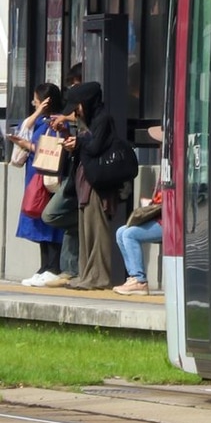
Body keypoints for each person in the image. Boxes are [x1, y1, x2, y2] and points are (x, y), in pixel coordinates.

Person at [61, 81, 132, 291]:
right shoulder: (90, 121)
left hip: (98, 185)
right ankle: (86, 274)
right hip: (86, 182)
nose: (76, 111)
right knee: (86, 230)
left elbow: (93, 148)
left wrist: (79, 142)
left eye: (78, 106)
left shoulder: (103, 120)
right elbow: (87, 145)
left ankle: (99, 277)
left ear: (87, 102)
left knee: (97, 230)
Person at [12, 84, 64, 286]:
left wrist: (28, 146)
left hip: (48, 178)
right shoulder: (40, 120)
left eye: (36, 99)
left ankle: (53, 266)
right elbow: (24, 127)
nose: (33, 102)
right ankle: (44, 266)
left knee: (49, 220)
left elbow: (52, 150)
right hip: (35, 177)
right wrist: (38, 112)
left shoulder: (56, 123)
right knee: (37, 217)